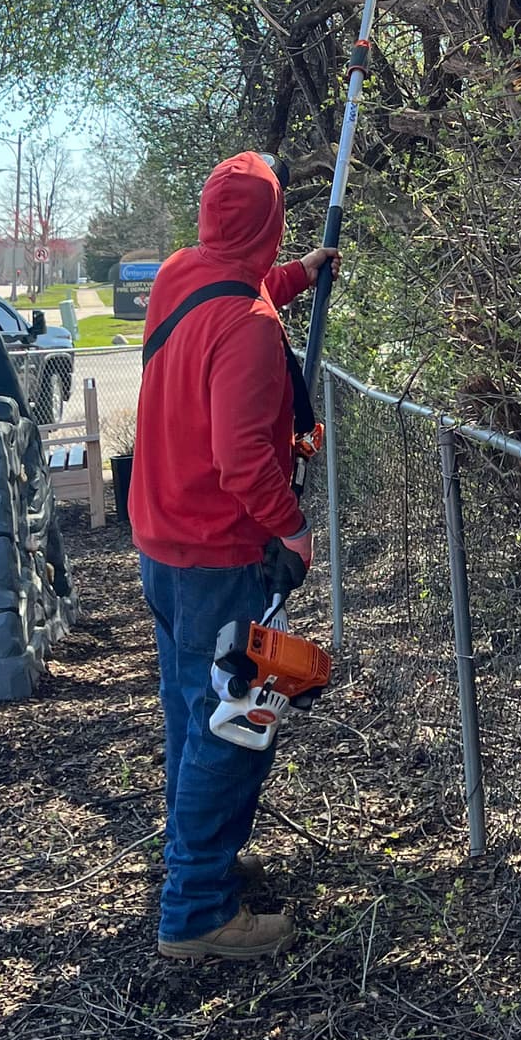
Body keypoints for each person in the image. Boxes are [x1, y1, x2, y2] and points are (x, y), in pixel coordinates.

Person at [128, 152, 337, 961]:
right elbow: (245, 457)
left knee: (191, 710)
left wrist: (298, 276)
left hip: (162, 543)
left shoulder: (182, 273)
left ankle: (196, 860)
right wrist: (291, 530)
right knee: (234, 724)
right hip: (219, 553)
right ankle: (198, 910)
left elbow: (236, 286)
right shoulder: (250, 332)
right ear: (272, 222)